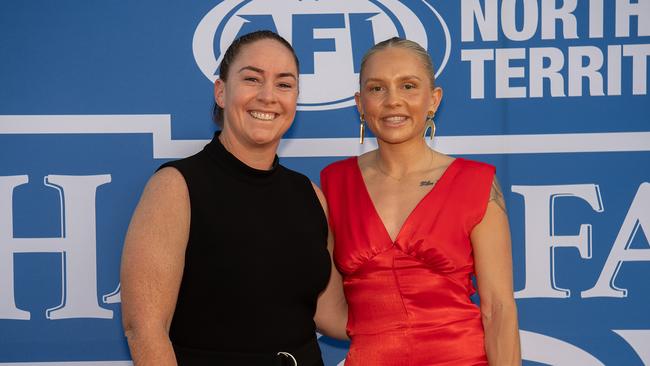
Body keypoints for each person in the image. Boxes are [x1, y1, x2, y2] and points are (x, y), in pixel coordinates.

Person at [120, 30, 347, 366]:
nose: (268, 96)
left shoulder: (309, 195)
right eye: (252, 79)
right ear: (222, 91)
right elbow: (144, 329)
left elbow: (331, 315)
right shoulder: (176, 187)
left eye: (284, 84)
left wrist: (429, 305)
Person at [320, 37, 521, 365]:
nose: (393, 101)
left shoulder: (476, 182)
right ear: (360, 102)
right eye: (377, 88)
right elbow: (327, 309)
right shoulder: (334, 184)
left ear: (433, 99)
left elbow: (498, 309)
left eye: (408, 86)